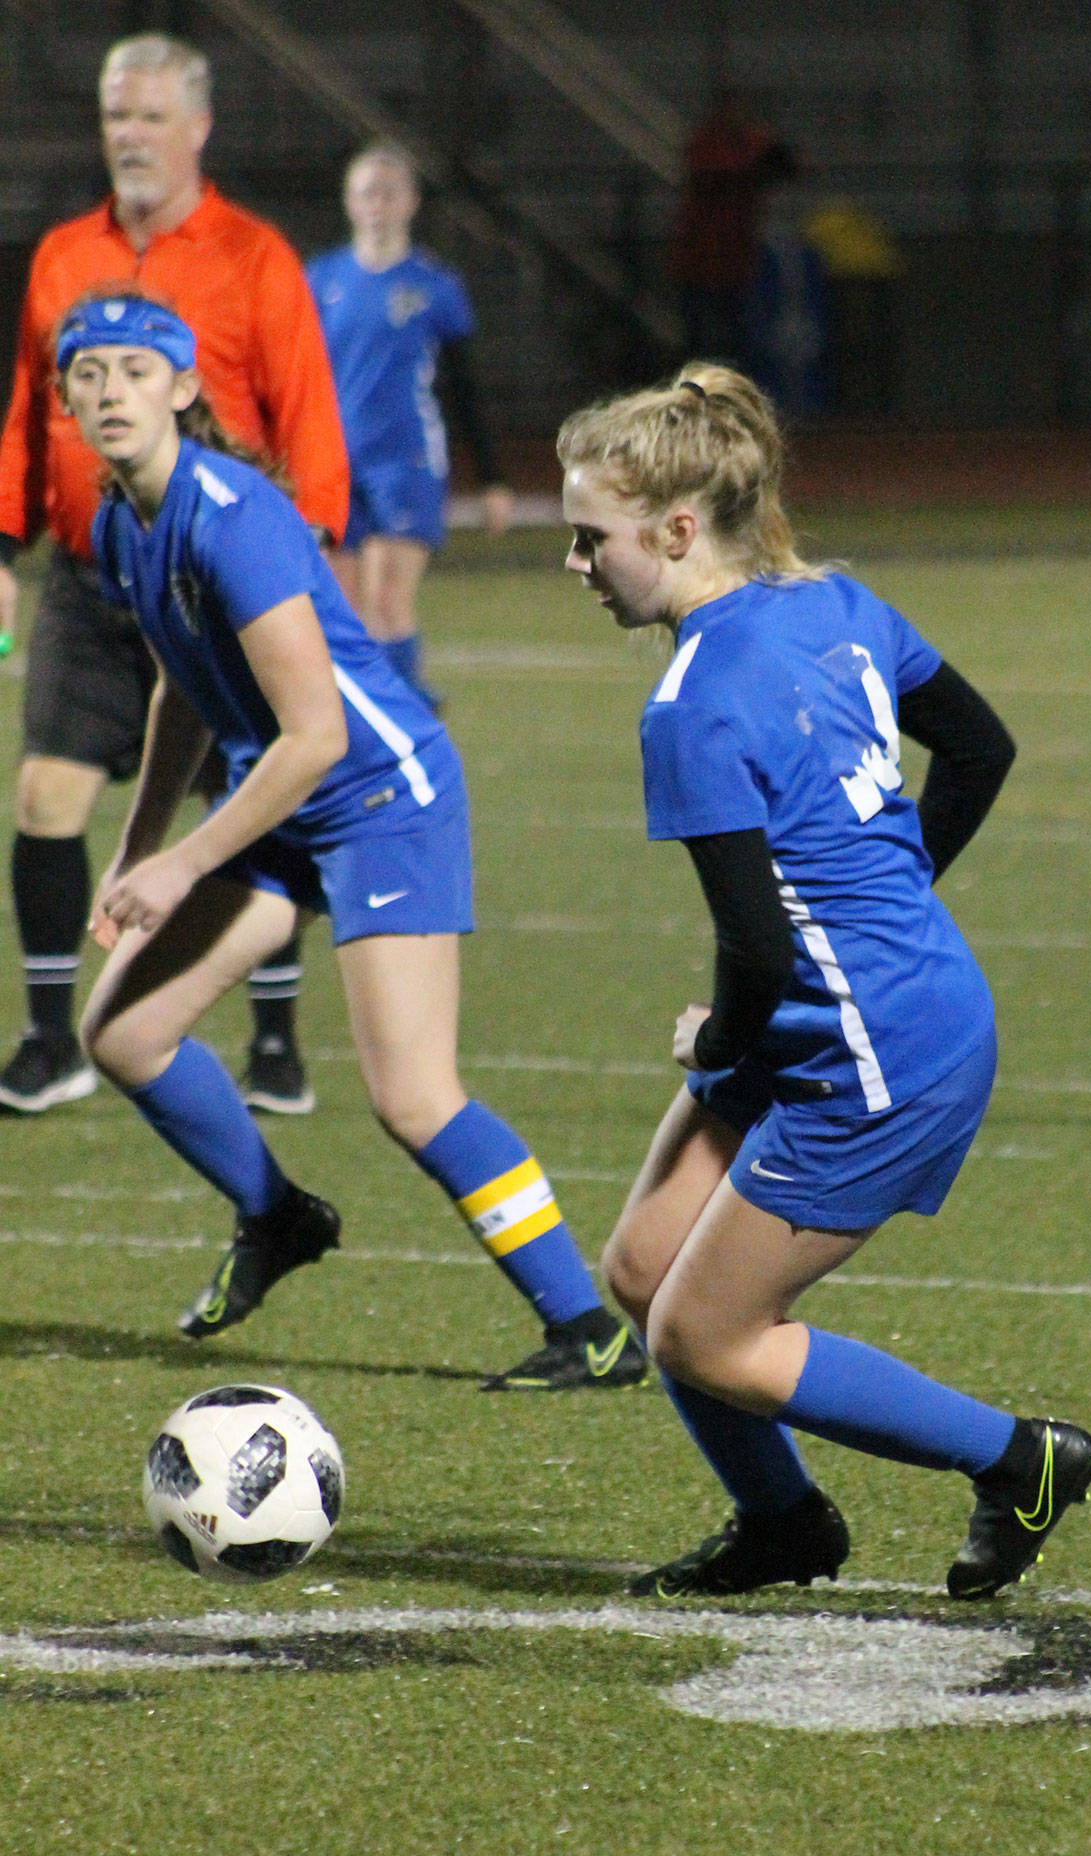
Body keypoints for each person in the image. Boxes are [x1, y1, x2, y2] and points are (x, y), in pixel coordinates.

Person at [557, 363, 1091, 1597]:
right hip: (856, 1008)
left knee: (702, 1334)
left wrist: (712, 1048)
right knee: (643, 1270)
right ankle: (785, 1525)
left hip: (877, 1050)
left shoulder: (688, 705)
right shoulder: (837, 603)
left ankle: (1021, 1461)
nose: (577, 566)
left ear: (677, 529)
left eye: (591, 540)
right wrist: (893, 894)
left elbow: (754, 949)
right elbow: (977, 748)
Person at [57, 290, 646, 1394]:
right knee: (124, 1034)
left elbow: (319, 735)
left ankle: (589, 1327)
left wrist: (184, 860)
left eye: (135, 370)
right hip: (284, 798)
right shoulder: (122, 525)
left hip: (379, 793)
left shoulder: (229, 513)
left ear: (183, 388)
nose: (110, 392)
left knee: (411, 1095)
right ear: (66, 404)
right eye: (87, 375)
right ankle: (276, 1218)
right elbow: (180, 696)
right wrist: (138, 847)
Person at [0, 31, 349, 1117]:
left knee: (243, 796)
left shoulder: (252, 255)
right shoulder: (63, 252)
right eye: (117, 115)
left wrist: (305, 565)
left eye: (151, 115)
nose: (131, 135)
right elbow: (25, 403)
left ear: (199, 127)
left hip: (214, 579)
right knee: (47, 790)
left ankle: (277, 1041)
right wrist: (4, 545)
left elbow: (306, 414)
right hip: (89, 573)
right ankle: (52, 1036)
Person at [307, 142, 513, 698]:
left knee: (388, 600)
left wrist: (492, 477)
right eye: (366, 191)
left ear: (411, 202)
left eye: (389, 191)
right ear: (350, 201)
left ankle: (405, 717)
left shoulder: (433, 285)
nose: (377, 202)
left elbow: (464, 387)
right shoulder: (320, 280)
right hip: (333, 461)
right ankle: (369, 723)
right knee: (343, 611)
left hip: (405, 458)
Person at [667, 87, 798, 368]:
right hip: (699, 257)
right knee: (698, 340)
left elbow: (789, 167)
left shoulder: (751, 142)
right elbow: (714, 175)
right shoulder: (706, 142)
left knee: (736, 339)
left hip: (736, 259)